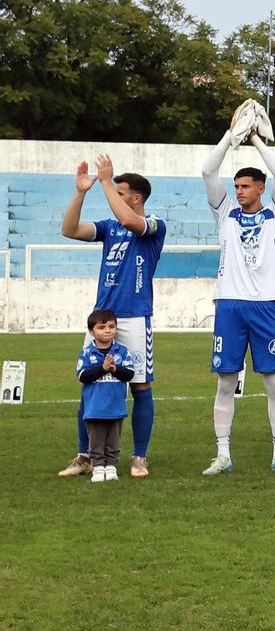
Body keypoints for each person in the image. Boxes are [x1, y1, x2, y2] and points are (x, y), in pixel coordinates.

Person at [200, 101, 275, 475]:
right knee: (226, 382)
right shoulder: (225, 212)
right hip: (229, 305)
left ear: (260, 188)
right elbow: (208, 170)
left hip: (266, 306)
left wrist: (255, 138)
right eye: (236, 186)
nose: (239, 191)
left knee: (274, 382)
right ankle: (222, 454)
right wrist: (231, 135)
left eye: (245, 186)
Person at [59, 155, 165, 479]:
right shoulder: (109, 229)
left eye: (119, 194)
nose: (112, 198)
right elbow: (69, 229)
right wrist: (81, 192)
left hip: (134, 318)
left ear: (136, 198)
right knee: (90, 383)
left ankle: (139, 457)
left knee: (140, 387)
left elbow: (133, 222)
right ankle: (85, 455)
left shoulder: (154, 225)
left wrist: (105, 181)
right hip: (101, 317)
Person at [76, 310, 135, 483]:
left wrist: (115, 369)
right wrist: (103, 368)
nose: (107, 331)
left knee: (113, 439)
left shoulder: (122, 351)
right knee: (96, 438)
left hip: (116, 406)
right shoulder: (87, 353)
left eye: (111, 326)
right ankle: (98, 466)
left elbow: (129, 374)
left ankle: (111, 466)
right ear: (91, 331)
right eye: (101, 327)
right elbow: (83, 376)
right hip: (94, 407)